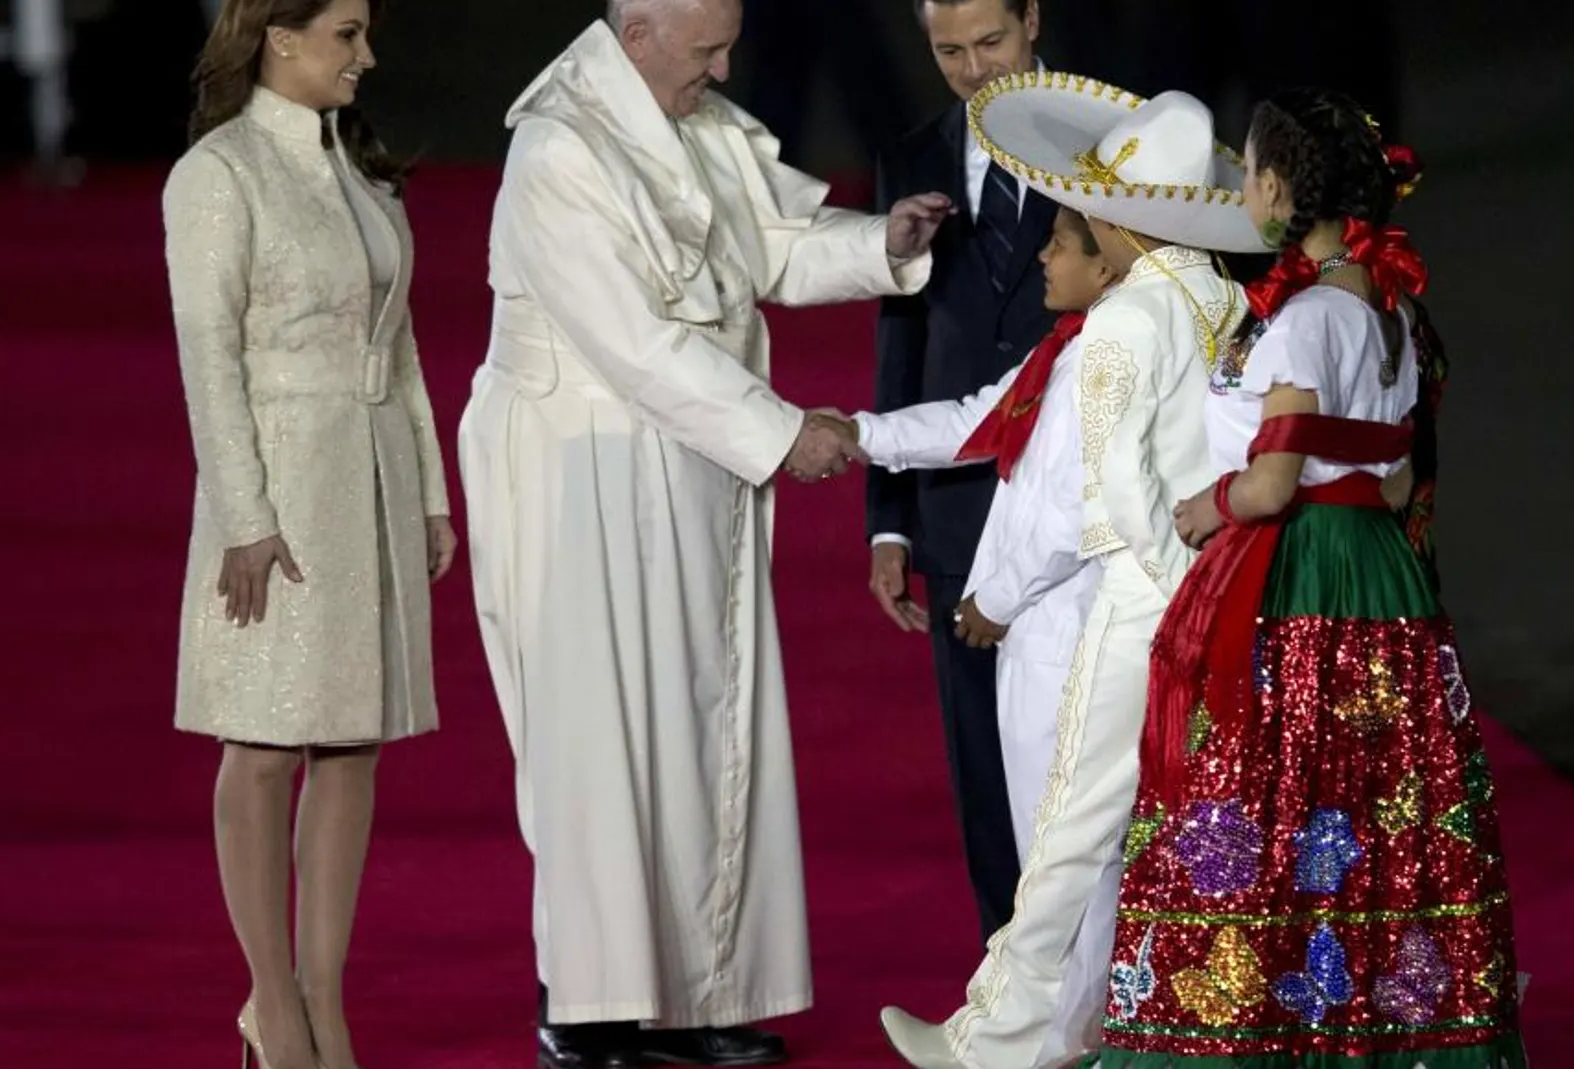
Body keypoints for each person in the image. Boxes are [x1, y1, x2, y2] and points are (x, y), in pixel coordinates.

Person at [455, 2, 949, 1067]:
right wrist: (778, 433)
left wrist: (880, 243)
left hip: (681, 458)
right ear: (636, 33)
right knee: (601, 735)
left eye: (728, 44)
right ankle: (588, 1013)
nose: (726, 67)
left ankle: (688, 992)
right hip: (576, 465)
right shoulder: (560, 145)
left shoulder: (689, 116)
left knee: (697, 719)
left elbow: (759, 244)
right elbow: (631, 342)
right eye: (707, 49)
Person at [1084, 87, 1526, 1068]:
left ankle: (1254, 1034)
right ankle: (1382, 1029)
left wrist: (1210, 504)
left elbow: (1272, 482)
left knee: (1260, 803)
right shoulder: (1395, 307)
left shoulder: (1301, 321)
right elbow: (1402, 467)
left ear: (1280, 187)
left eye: (1246, 171)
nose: (1240, 186)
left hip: (1295, 581)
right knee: (1379, 810)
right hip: (1379, 575)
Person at [871, 83, 1261, 1069]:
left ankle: (996, 1040)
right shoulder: (1217, 295)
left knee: (1066, 838)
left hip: (1138, 596)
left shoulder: (1122, 323)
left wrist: (1171, 585)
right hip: (1208, 585)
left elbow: (1113, 485)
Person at [162, 2, 456, 1069]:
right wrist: (243, 517)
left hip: (368, 478)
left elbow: (403, 347)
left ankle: (324, 1004)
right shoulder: (219, 174)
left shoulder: (361, 173)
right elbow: (209, 357)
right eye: (346, 33)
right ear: (279, 37)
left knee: (349, 738)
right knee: (266, 740)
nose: (366, 55)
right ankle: (271, 1005)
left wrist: (427, 492)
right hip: (281, 484)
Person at [870, 0, 1054, 948]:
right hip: (956, 509)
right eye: (950, 51)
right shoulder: (912, 155)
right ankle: (1011, 982)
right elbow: (899, 340)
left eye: (993, 42)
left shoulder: (1110, 146)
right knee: (981, 760)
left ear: (1034, 19)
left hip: (1080, 502)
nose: (976, 69)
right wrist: (888, 522)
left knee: (1083, 754)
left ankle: (1113, 995)